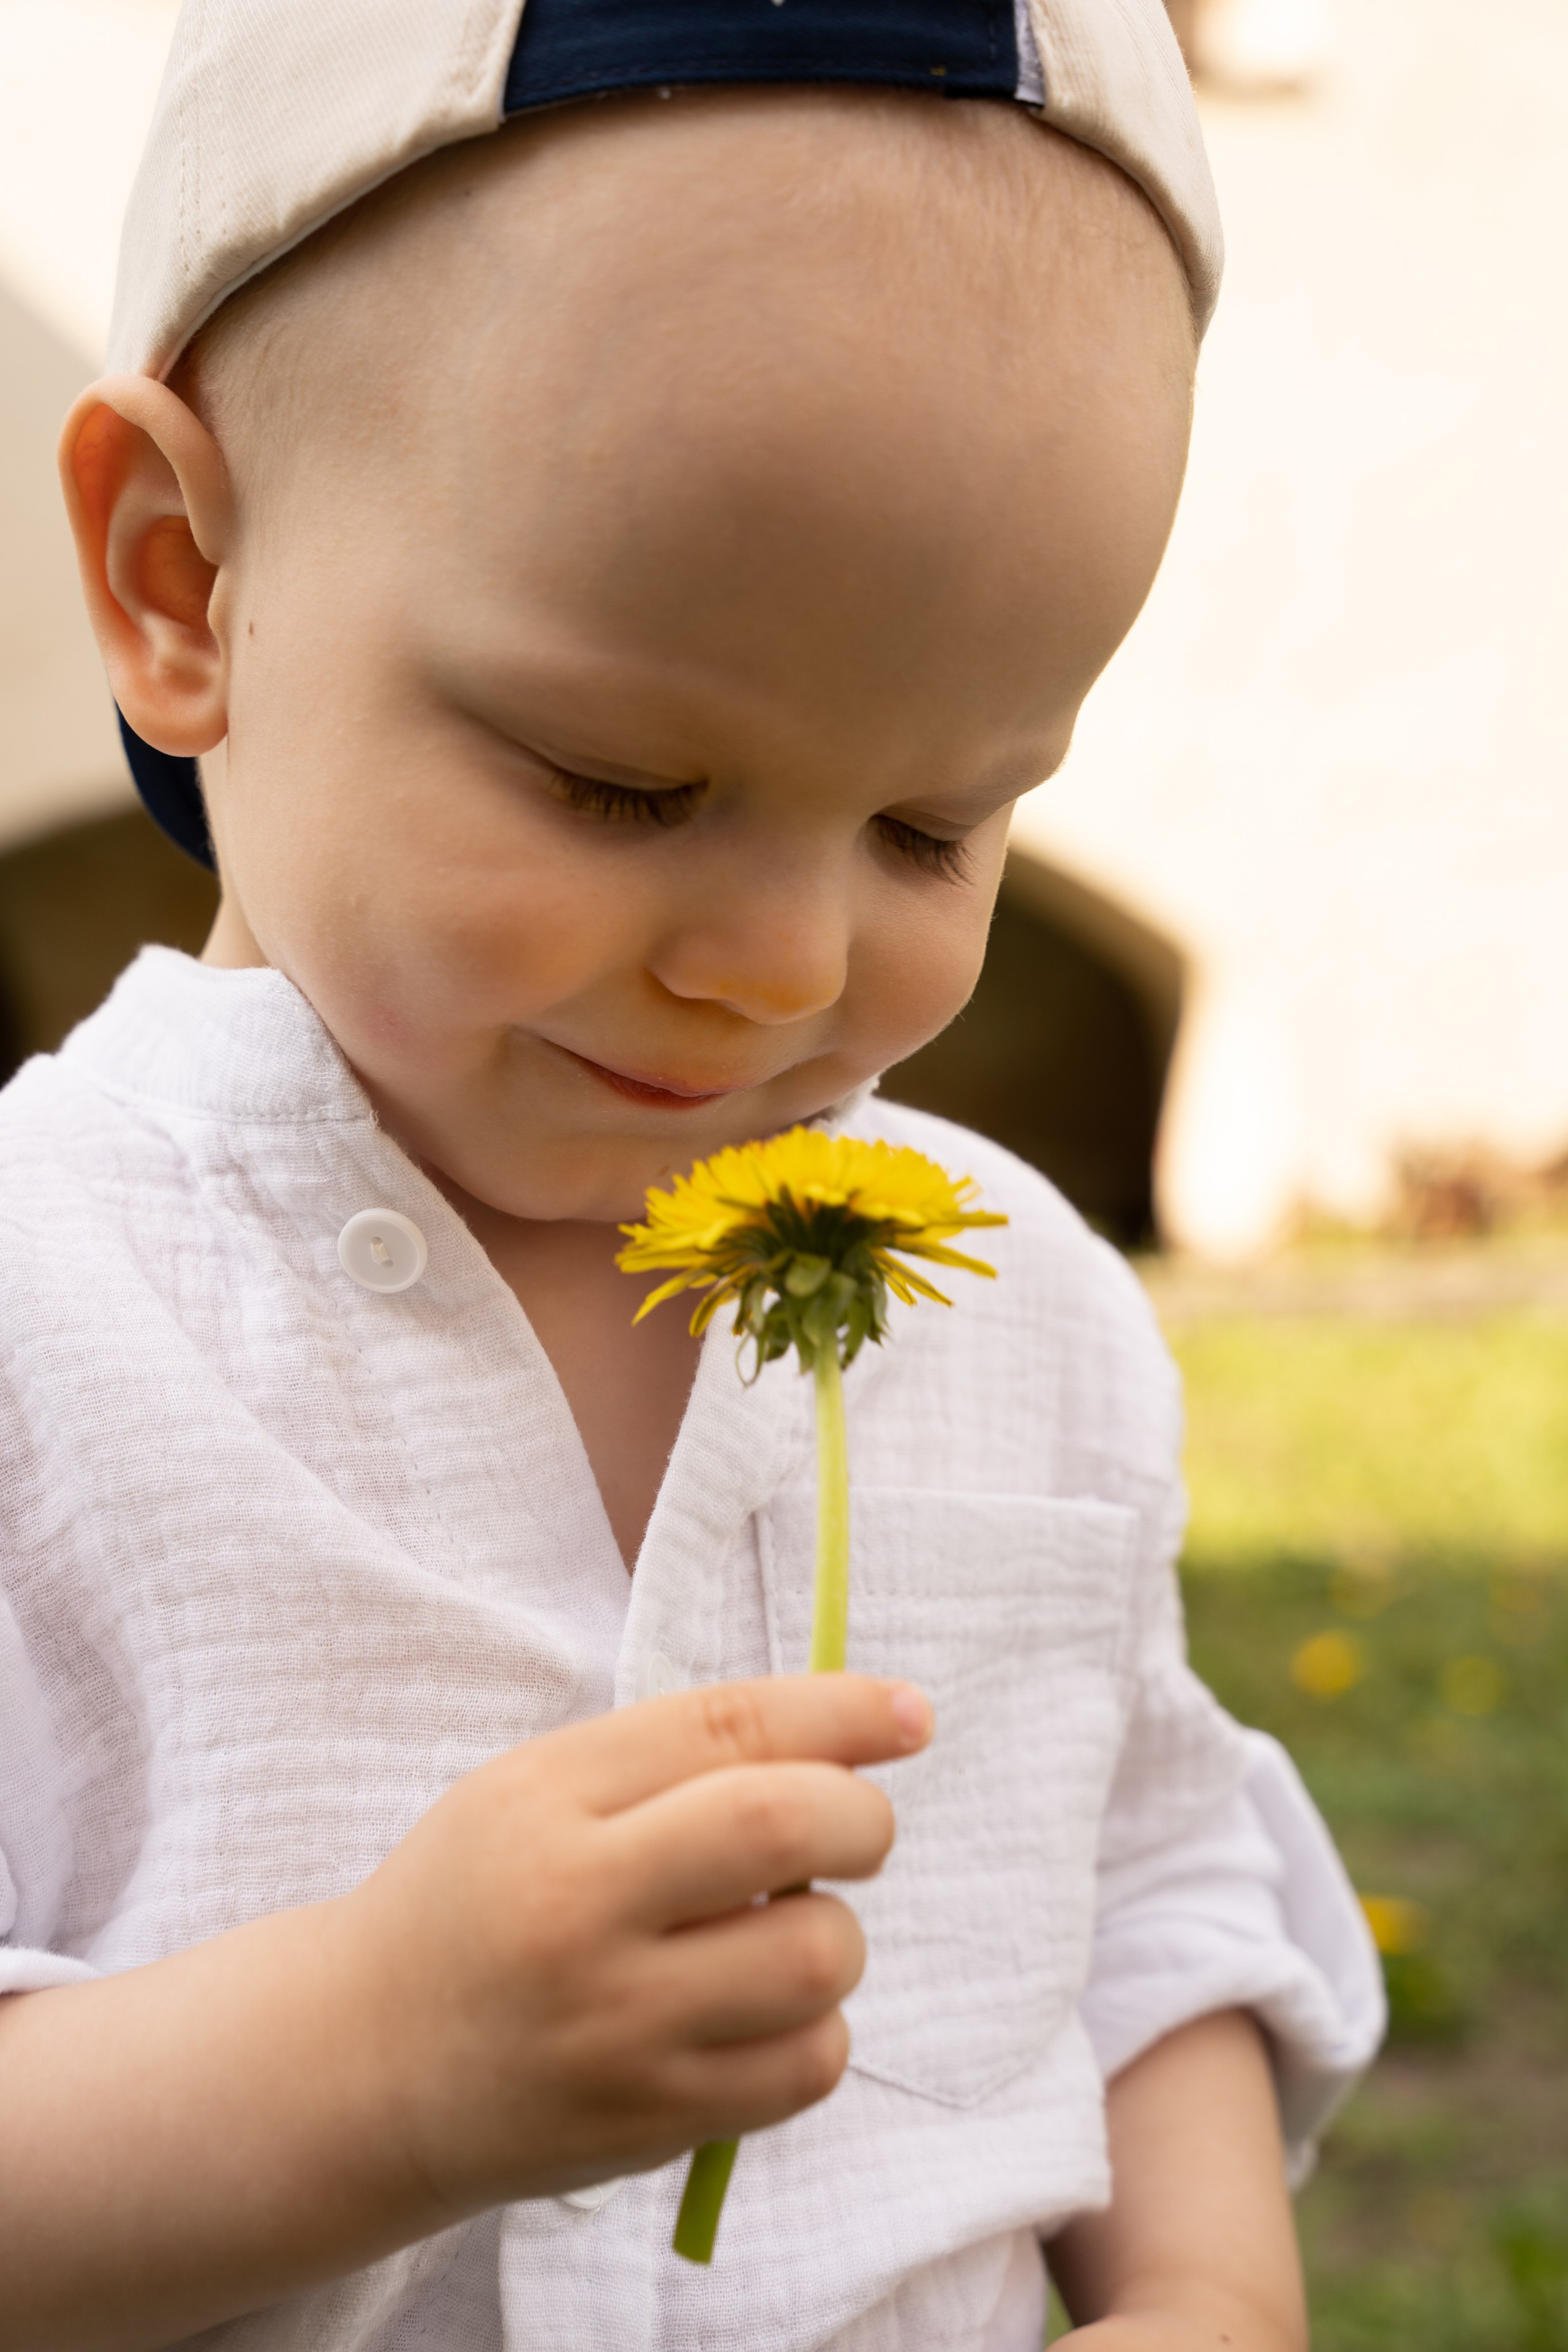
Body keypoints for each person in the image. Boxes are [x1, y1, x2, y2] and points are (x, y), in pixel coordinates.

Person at [0, 3, 1381, 2346]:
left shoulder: (1018, 1310)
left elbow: (1149, 1878)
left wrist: (1213, 2290)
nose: (781, 963)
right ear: (175, 578)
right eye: (620, 779)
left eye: (938, 824)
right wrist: (381, 2065)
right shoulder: (48, 1312)